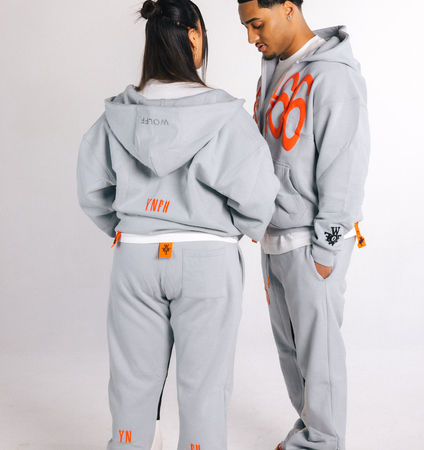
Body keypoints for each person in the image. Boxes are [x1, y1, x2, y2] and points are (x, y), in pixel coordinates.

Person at [76, 1, 281, 449]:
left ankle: (128, 443)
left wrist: (130, 225)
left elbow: (91, 191)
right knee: (204, 386)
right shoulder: (224, 115)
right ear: (193, 37)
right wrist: (230, 226)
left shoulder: (118, 115)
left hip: (136, 258)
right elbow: (259, 198)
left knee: (132, 381)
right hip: (207, 260)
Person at [237, 1, 371, 449]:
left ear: (289, 9)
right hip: (275, 234)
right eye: (247, 27)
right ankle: (312, 427)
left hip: (312, 239)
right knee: (291, 350)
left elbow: (345, 165)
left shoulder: (333, 76)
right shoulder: (274, 70)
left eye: (257, 24)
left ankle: (324, 441)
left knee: (320, 352)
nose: (252, 37)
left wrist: (327, 247)